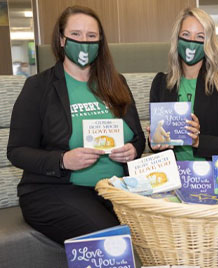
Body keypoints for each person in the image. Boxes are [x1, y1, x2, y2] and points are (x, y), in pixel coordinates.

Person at [7, 5, 145, 244]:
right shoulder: (38, 87)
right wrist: (63, 160)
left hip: (115, 189)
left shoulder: (116, 83)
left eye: (92, 36)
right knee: (113, 240)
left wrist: (133, 150)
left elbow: (138, 137)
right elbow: (16, 151)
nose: (84, 42)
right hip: (55, 191)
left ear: (100, 41)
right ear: (61, 40)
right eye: (76, 35)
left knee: (158, 227)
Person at [149, 7, 218, 160]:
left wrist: (199, 141)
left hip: (213, 177)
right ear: (177, 39)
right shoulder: (161, 84)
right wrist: (155, 142)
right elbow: (158, 145)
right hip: (173, 178)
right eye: (186, 34)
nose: (191, 42)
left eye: (200, 37)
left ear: (209, 43)